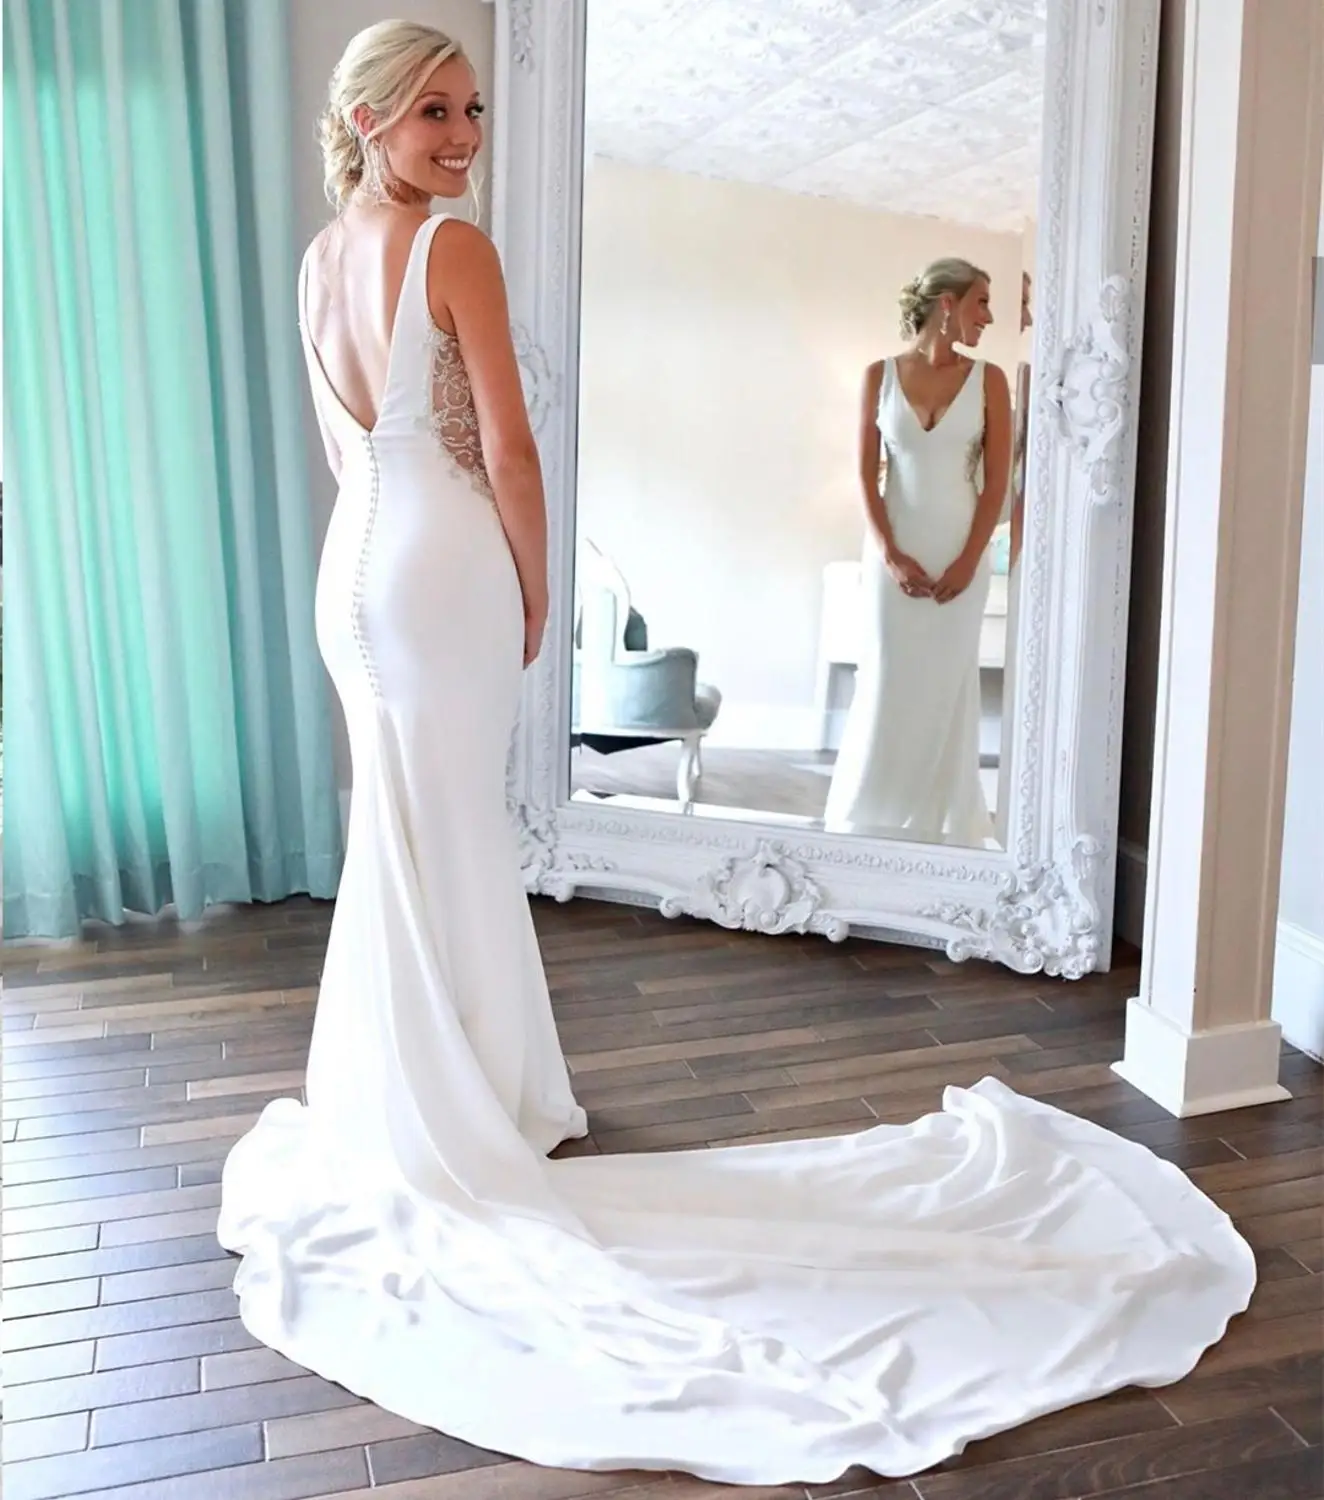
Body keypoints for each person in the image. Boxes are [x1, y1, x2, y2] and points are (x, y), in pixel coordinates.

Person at [218, 24, 1255, 1488]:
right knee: (448, 836)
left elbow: (351, 454)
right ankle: (469, 1109)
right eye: (434, 112)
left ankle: (423, 1101)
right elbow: (509, 450)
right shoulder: (452, 247)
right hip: (442, 562)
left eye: (473, 109)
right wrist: (532, 584)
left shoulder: (324, 257)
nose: (463, 136)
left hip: (355, 574)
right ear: (373, 119)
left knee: (402, 836)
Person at [824, 259, 1008, 845]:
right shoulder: (877, 376)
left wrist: (969, 559)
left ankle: (942, 830)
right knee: (887, 679)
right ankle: (869, 821)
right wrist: (890, 554)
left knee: (947, 686)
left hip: (961, 553)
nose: (990, 316)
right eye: (982, 302)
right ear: (947, 304)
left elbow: (996, 485)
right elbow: (865, 475)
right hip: (894, 555)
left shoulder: (991, 381)